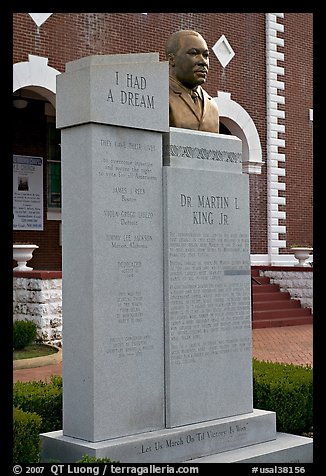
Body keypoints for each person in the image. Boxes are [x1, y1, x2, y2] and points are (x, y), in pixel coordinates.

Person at [166, 29, 219, 133]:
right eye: (194, 53)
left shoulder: (212, 105)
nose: (203, 62)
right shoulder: (160, 97)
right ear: (172, 60)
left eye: (206, 55)